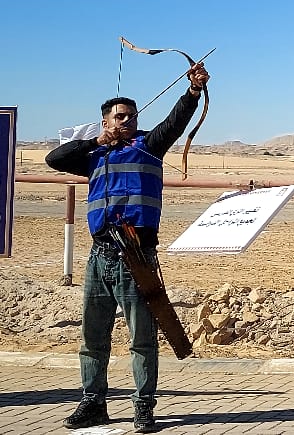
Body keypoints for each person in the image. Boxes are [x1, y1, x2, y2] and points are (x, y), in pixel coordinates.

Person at [45, 63, 210, 433]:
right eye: (119, 117)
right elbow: (54, 159)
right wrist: (96, 142)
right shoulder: (93, 155)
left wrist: (193, 91)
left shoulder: (148, 146)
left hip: (136, 255)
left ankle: (143, 407)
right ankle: (93, 403)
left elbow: (175, 123)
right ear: (105, 122)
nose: (127, 121)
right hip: (99, 256)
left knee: (142, 339)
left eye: (131, 116)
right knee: (93, 337)